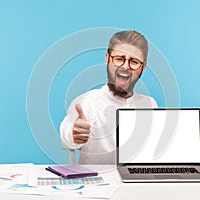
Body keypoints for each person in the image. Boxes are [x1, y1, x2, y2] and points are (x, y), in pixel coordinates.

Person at [60, 30, 158, 164]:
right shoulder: (88, 102)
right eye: (119, 59)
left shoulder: (150, 104)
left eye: (134, 62)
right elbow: (67, 134)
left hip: (138, 183)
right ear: (107, 58)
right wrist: (75, 134)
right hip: (97, 182)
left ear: (143, 67)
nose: (125, 66)